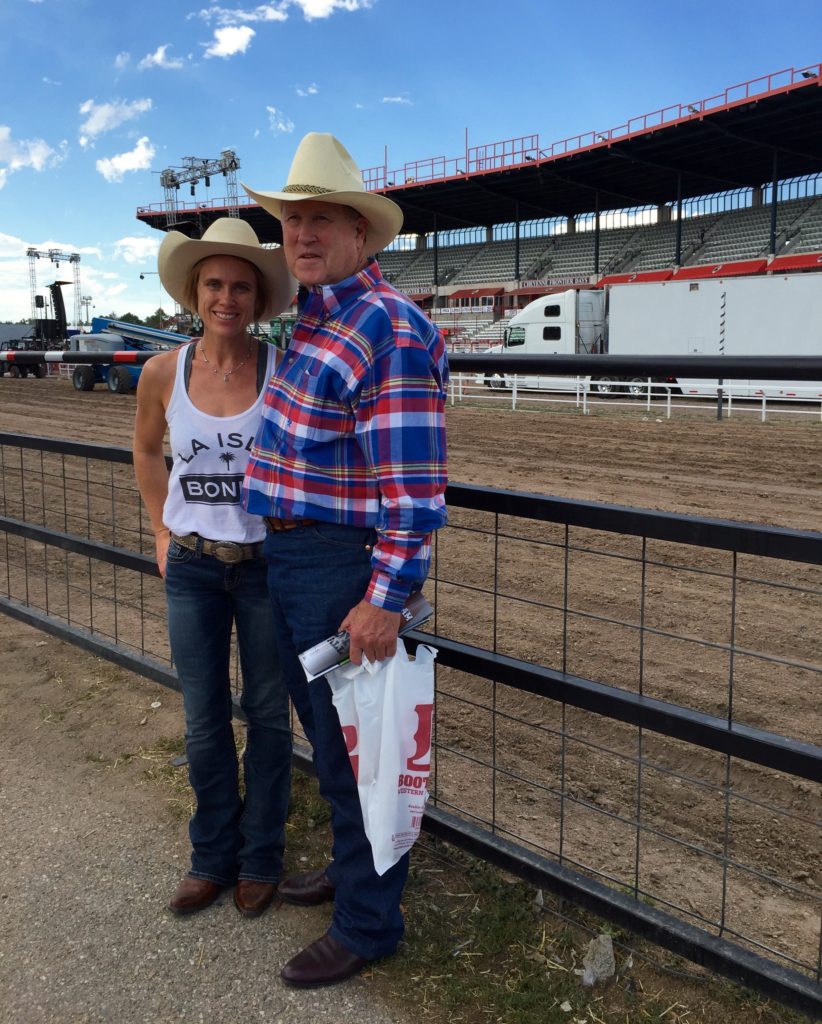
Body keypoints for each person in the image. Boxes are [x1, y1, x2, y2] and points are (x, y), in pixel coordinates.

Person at [241, 132, 448, 987]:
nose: (303, 233)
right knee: (335, 744)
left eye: (322, 218)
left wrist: (386, 596)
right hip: (295, 561)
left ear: (363, 233)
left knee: (357, 749)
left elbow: (413, 491)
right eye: (293, 219)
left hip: (338, 568)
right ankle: (351, 873)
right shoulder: (319, 321)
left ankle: (368, 924)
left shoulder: (387, 330)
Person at [133, 218, 295, 920]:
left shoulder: (281, 369)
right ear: (195, 293)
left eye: (239, 286)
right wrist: (161, 530)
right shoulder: (162, 373)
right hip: (194, 568)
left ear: (257, 300)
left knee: (266, 715)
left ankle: (261, 858)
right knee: (202, 719)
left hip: (264, 569)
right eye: (214, 284)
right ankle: (210, 857)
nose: (226, 297)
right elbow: (144, 450)